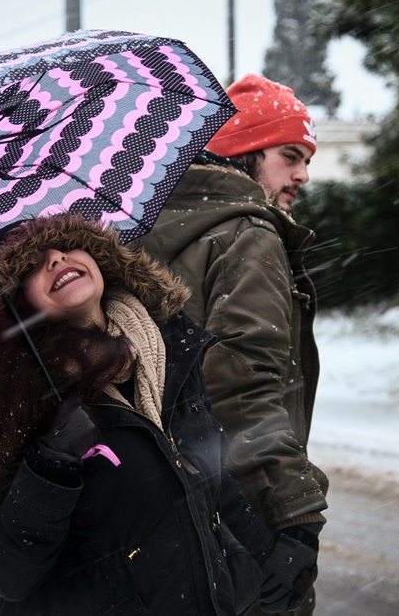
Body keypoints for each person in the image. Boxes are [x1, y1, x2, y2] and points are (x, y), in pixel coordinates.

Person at [0, 212, 318, 616]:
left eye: (65, 244)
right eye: (30, 264)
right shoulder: (8, 408)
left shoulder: (169, 353)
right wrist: (50, 465)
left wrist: (266, 558)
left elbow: (209, 481)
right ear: (14, 306)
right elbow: (5, 574)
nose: (56, 259)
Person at [132, 75, 329, 616]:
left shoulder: (150, 230)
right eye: (290, 155)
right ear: (244, 150)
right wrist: (292, 513)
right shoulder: (248, 235)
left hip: (166, 500)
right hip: (239, 505)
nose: (303, 175)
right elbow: (242, 386)